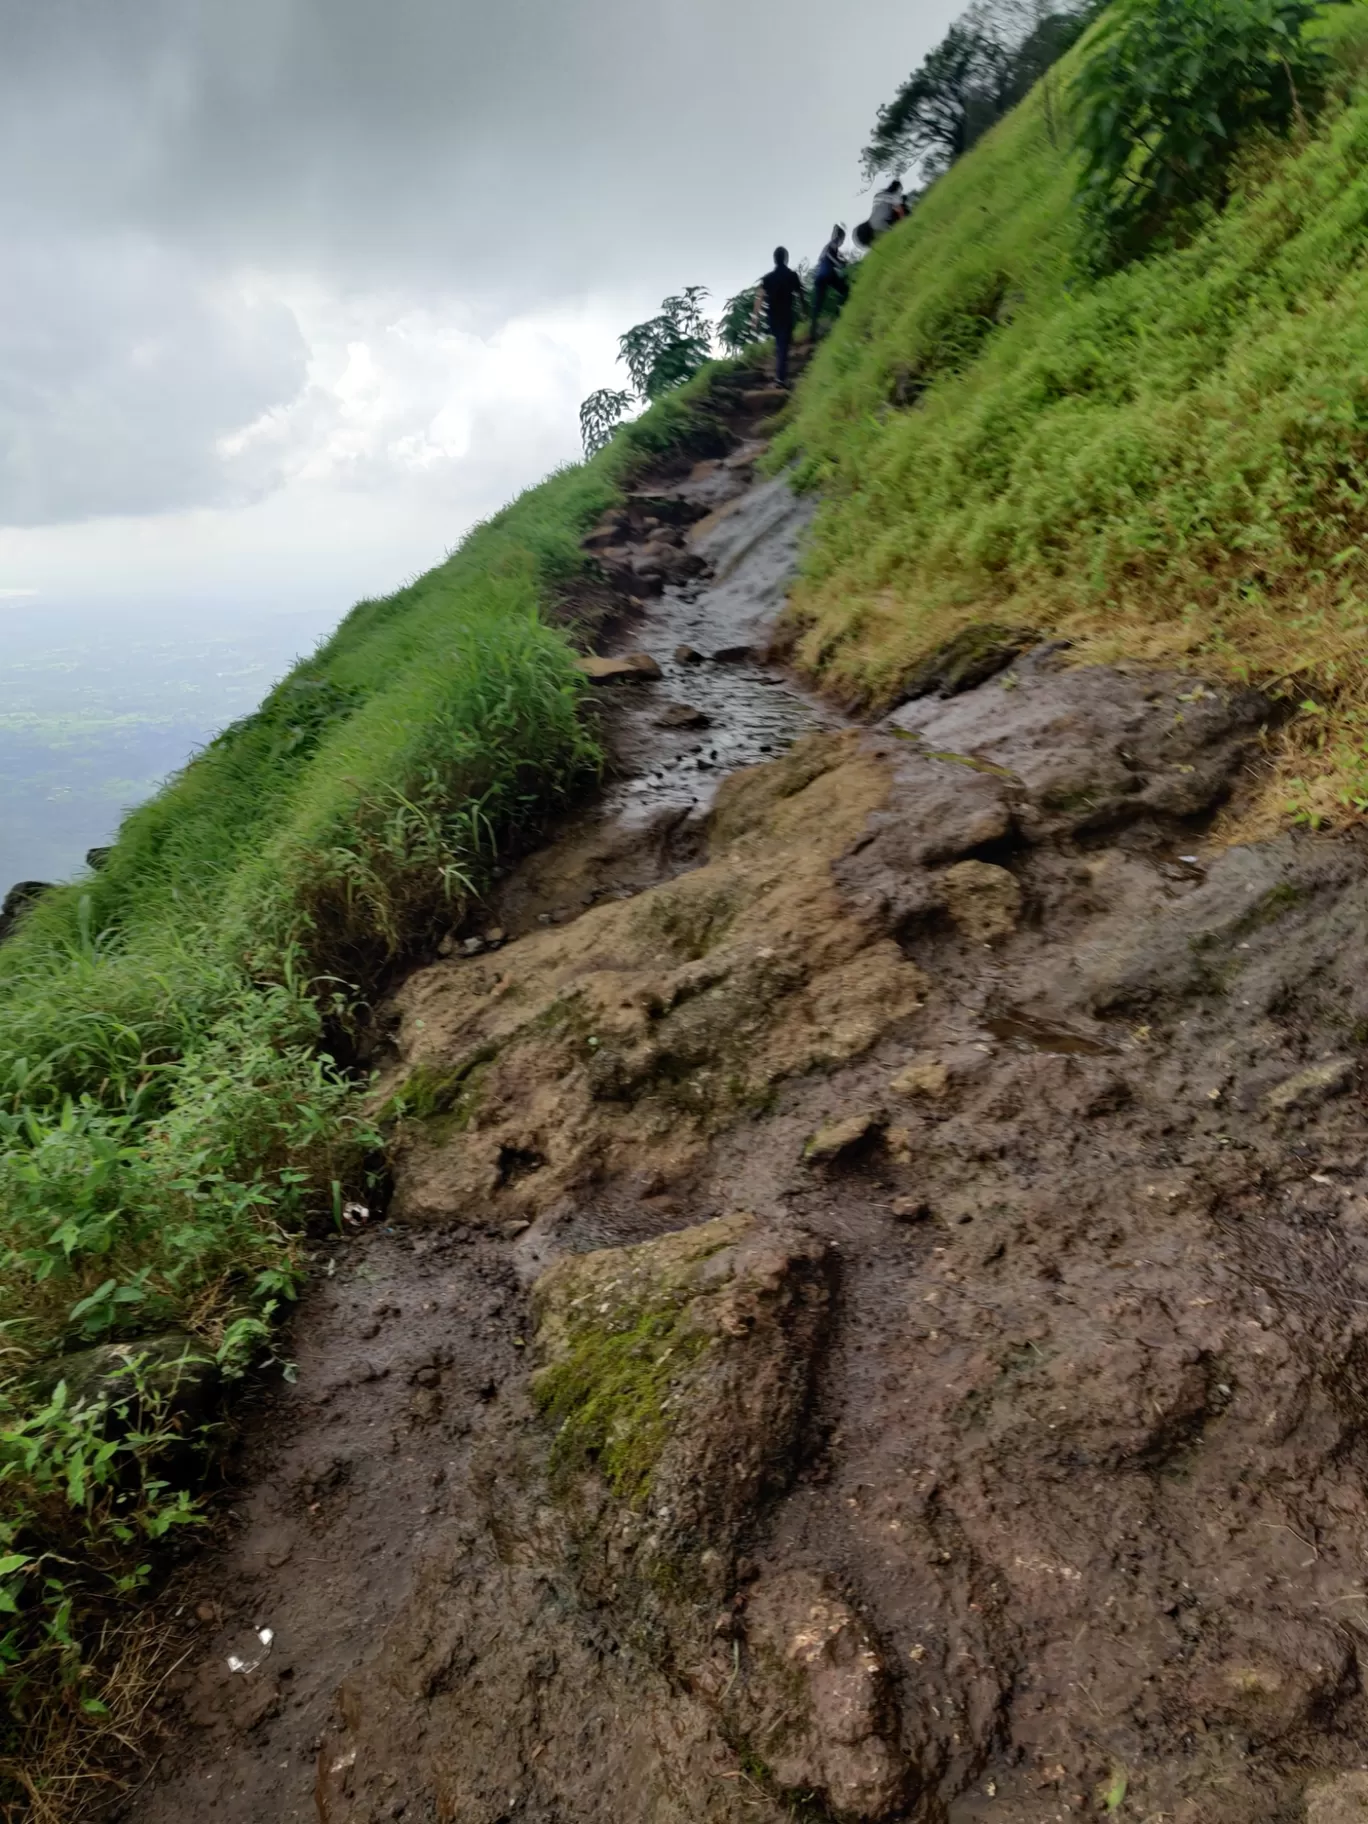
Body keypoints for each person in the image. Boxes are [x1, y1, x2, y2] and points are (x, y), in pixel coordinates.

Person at [760, 246, 807, 386]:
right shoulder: (792, 275)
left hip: (772, 317)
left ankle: (781, 373)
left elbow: (759, 297)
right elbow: (800, 294)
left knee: (781, 343)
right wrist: (804, 310)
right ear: (786, 258)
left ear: (774, 260)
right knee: (782, 345)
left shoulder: (768, 278)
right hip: (786, 314)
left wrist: (754, 318)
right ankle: (780, 378)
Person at [810, 224, 849, 341]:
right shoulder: (833, 243)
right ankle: (839, 314)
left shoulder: (828, 246)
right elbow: (832, 258)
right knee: (845, 289)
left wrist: (840, 262)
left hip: (819, 276)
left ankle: (812, 331)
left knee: (818, 304)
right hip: (827, 274)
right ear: (840, 237)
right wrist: (842, 264)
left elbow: (829, 258)